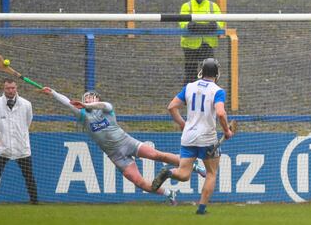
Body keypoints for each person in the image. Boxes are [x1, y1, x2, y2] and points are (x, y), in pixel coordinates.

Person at [36, 86, 206, 205]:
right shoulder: (83, 117)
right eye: (86, 98)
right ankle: (169, 193)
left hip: (127, 143)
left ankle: (194, 165)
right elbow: (67, 102)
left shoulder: (106, 108)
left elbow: (102, 105)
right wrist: (53, 93)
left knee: (157, 155)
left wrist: (88, 105)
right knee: (139, 182)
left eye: (91, 97)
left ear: (97, 99)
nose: (88, 99)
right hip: (116, 156)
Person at [151, 58, 233, 215]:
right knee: (211, 173)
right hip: (207, 138)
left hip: (188, 136)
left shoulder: (189, 87)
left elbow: (171, 107)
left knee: (184, 173)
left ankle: (169, 172)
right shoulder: (217, 91)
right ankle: (201, 209)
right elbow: (221, 113)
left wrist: (183, 124)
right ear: (217, 73)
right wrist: (227, 131)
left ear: (201, 71)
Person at [0, 78, 38, 205]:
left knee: (29, 176)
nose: (11, 90)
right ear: (3, 89)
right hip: (2, 149)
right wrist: (1, 138)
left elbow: (28, 122)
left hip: (22, 148)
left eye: (13, 88)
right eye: (8, 88)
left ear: (16, 88)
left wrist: (19, 136)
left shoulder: (26, 104)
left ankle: (35, 202)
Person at [179, 0, 225, 85]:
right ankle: (188, 96)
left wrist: (196, 26)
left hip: (207, 44)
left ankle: (209, 94)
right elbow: (184, 24)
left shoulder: (213, 6)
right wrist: (207, 27)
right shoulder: (187, 6)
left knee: (209, 71)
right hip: (190, 46)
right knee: (190, 73)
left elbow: (219, 23)